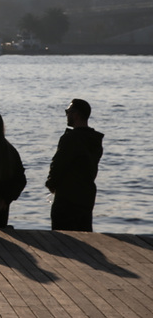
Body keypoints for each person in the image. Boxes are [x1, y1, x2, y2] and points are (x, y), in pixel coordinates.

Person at [46, 99, 103, 231]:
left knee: (62, 237)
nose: (66, 114)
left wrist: (51, 184)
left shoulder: (70, 139)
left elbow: (58, 164)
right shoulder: (95, 140)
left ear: (76, 114)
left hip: (67, 198)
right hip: (86, 196)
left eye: (68, 111)